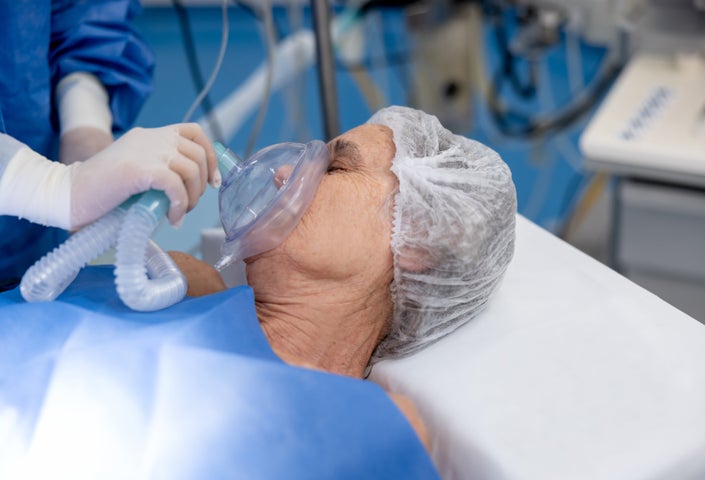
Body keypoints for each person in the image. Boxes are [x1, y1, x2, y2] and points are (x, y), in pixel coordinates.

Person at [0, 106, 516, 477]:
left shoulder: (370, 431)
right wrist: (48, 186)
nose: (288, 171)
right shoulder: (172, 283)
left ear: (422, 237)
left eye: (336, 167)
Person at [0, 1, 219, 289]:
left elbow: (85, 15)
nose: (284, 174)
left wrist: (85, 123)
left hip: (27, 254)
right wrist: (50, 185)